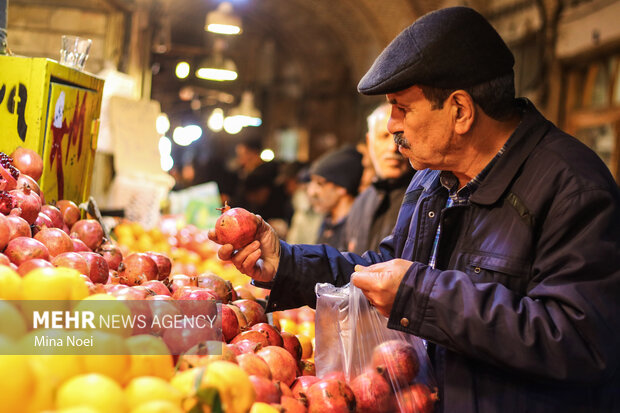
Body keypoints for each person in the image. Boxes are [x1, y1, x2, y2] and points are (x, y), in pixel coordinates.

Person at [209, 7, 620, 413]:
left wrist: (421, 295)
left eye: (401, 108)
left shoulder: (573, 188)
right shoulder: (431, 178)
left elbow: (582, 342)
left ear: (459, 111)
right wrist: (287, 263)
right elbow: (387, 268)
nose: (391, 125)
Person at [344, 103, 415, 254]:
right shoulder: (360, 203)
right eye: (384, 136)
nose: (393, 147)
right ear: (369, 142)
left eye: (400, 136)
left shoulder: (425, 198)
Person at [307, 146, 363, 249]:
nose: (312, 192)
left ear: (341, 187)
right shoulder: (327, 221)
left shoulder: (359, 226)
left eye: (320, 183)